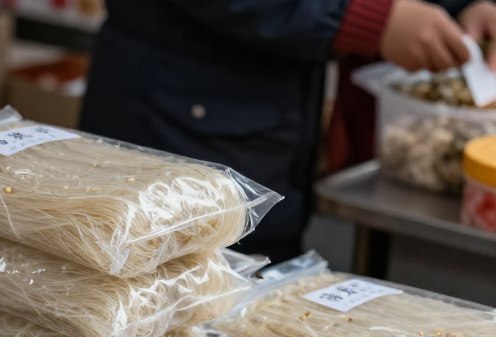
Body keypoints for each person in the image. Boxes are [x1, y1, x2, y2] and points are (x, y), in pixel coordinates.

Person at [80, 0, 496, 259]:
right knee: (152, 285)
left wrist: (460, 7)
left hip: (267, 126)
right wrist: (355, 17)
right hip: (174, 117)